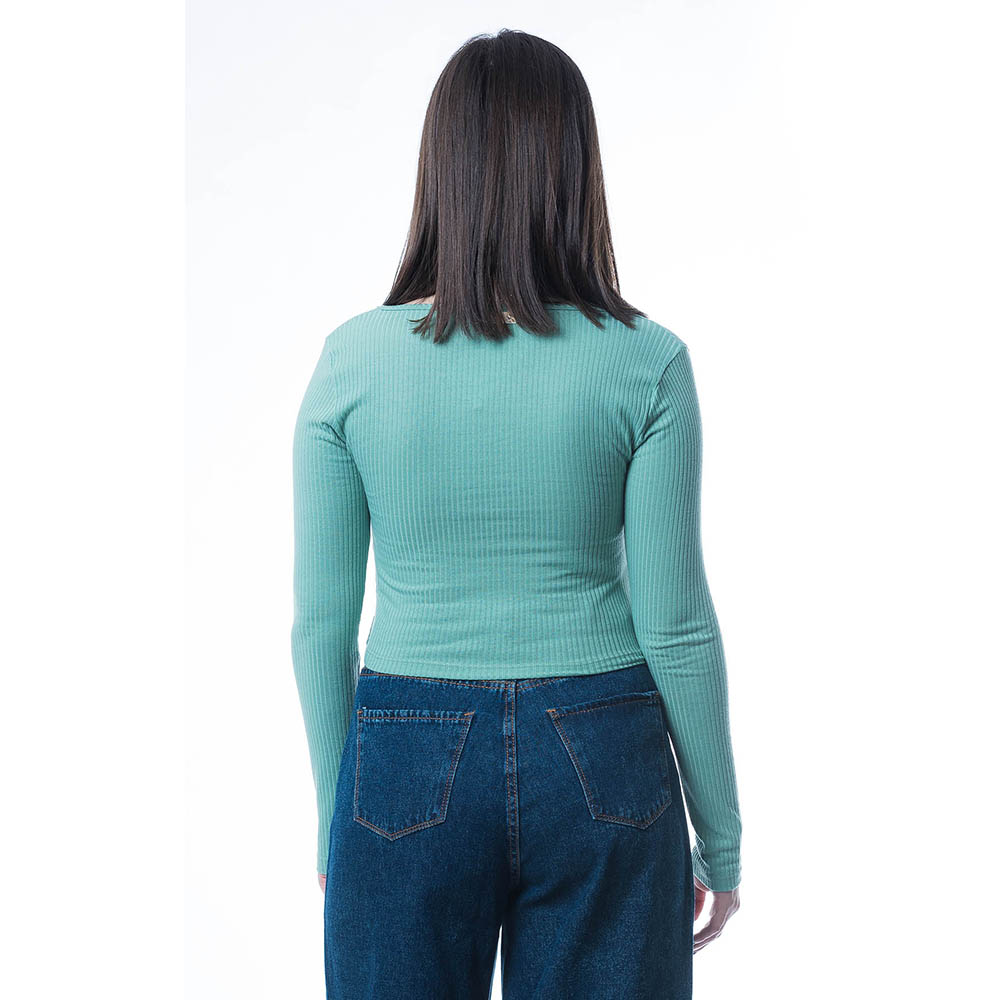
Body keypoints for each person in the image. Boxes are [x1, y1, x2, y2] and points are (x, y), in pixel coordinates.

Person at [291, 28, 741, 1000]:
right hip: (604, 749)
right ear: (575, 169)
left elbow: (320, 628)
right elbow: (676, 625)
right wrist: (723, 840)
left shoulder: (351, 362)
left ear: (440, 168)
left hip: (402, 752)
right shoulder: (647, 361)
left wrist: (338, 820)